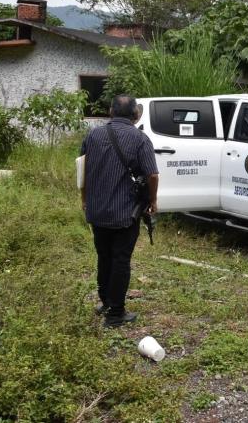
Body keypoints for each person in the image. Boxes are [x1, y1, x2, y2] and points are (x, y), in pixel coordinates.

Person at [81, 95, 159, 327]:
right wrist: (153, 200)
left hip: (97, 210)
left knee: (104, 257)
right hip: (125, 213)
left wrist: (84, 199)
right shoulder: (140, 139)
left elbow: (82, 170)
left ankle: (105, 302)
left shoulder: (93, 135)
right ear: (135, 115)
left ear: (110, 112)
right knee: (120, 260)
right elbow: (152, 175)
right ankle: (115, 313)